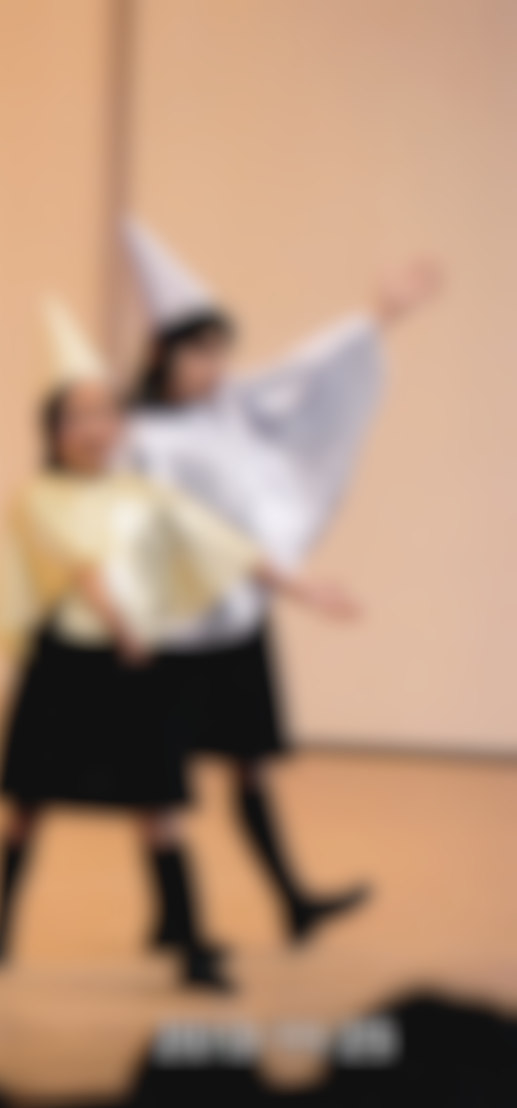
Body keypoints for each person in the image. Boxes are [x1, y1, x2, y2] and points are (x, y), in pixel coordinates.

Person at [0, 300, 355, 992]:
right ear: (53, 430)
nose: (94, 428)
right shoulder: (36, 496)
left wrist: (302, 588)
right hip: (67, 667)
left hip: (134, 665)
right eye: (77, 416)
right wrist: (119, 622)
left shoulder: (144, 493)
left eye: (105, 414)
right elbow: (81, 561)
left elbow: (222, 544)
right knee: (27, 805)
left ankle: (192, 950)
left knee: (160, 810)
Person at [121, 219, 443, 946]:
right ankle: (173, 918)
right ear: (161, 353)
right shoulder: (139, 436)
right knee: (159, 777)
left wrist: (379, 316)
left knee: (251, 764)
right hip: (167, 626)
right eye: (198, 352)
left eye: (220, 351)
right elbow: (171, 528)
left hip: (236, 613)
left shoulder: (232, 409)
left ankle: (293, 901)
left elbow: (303, 374)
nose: (213, 367)